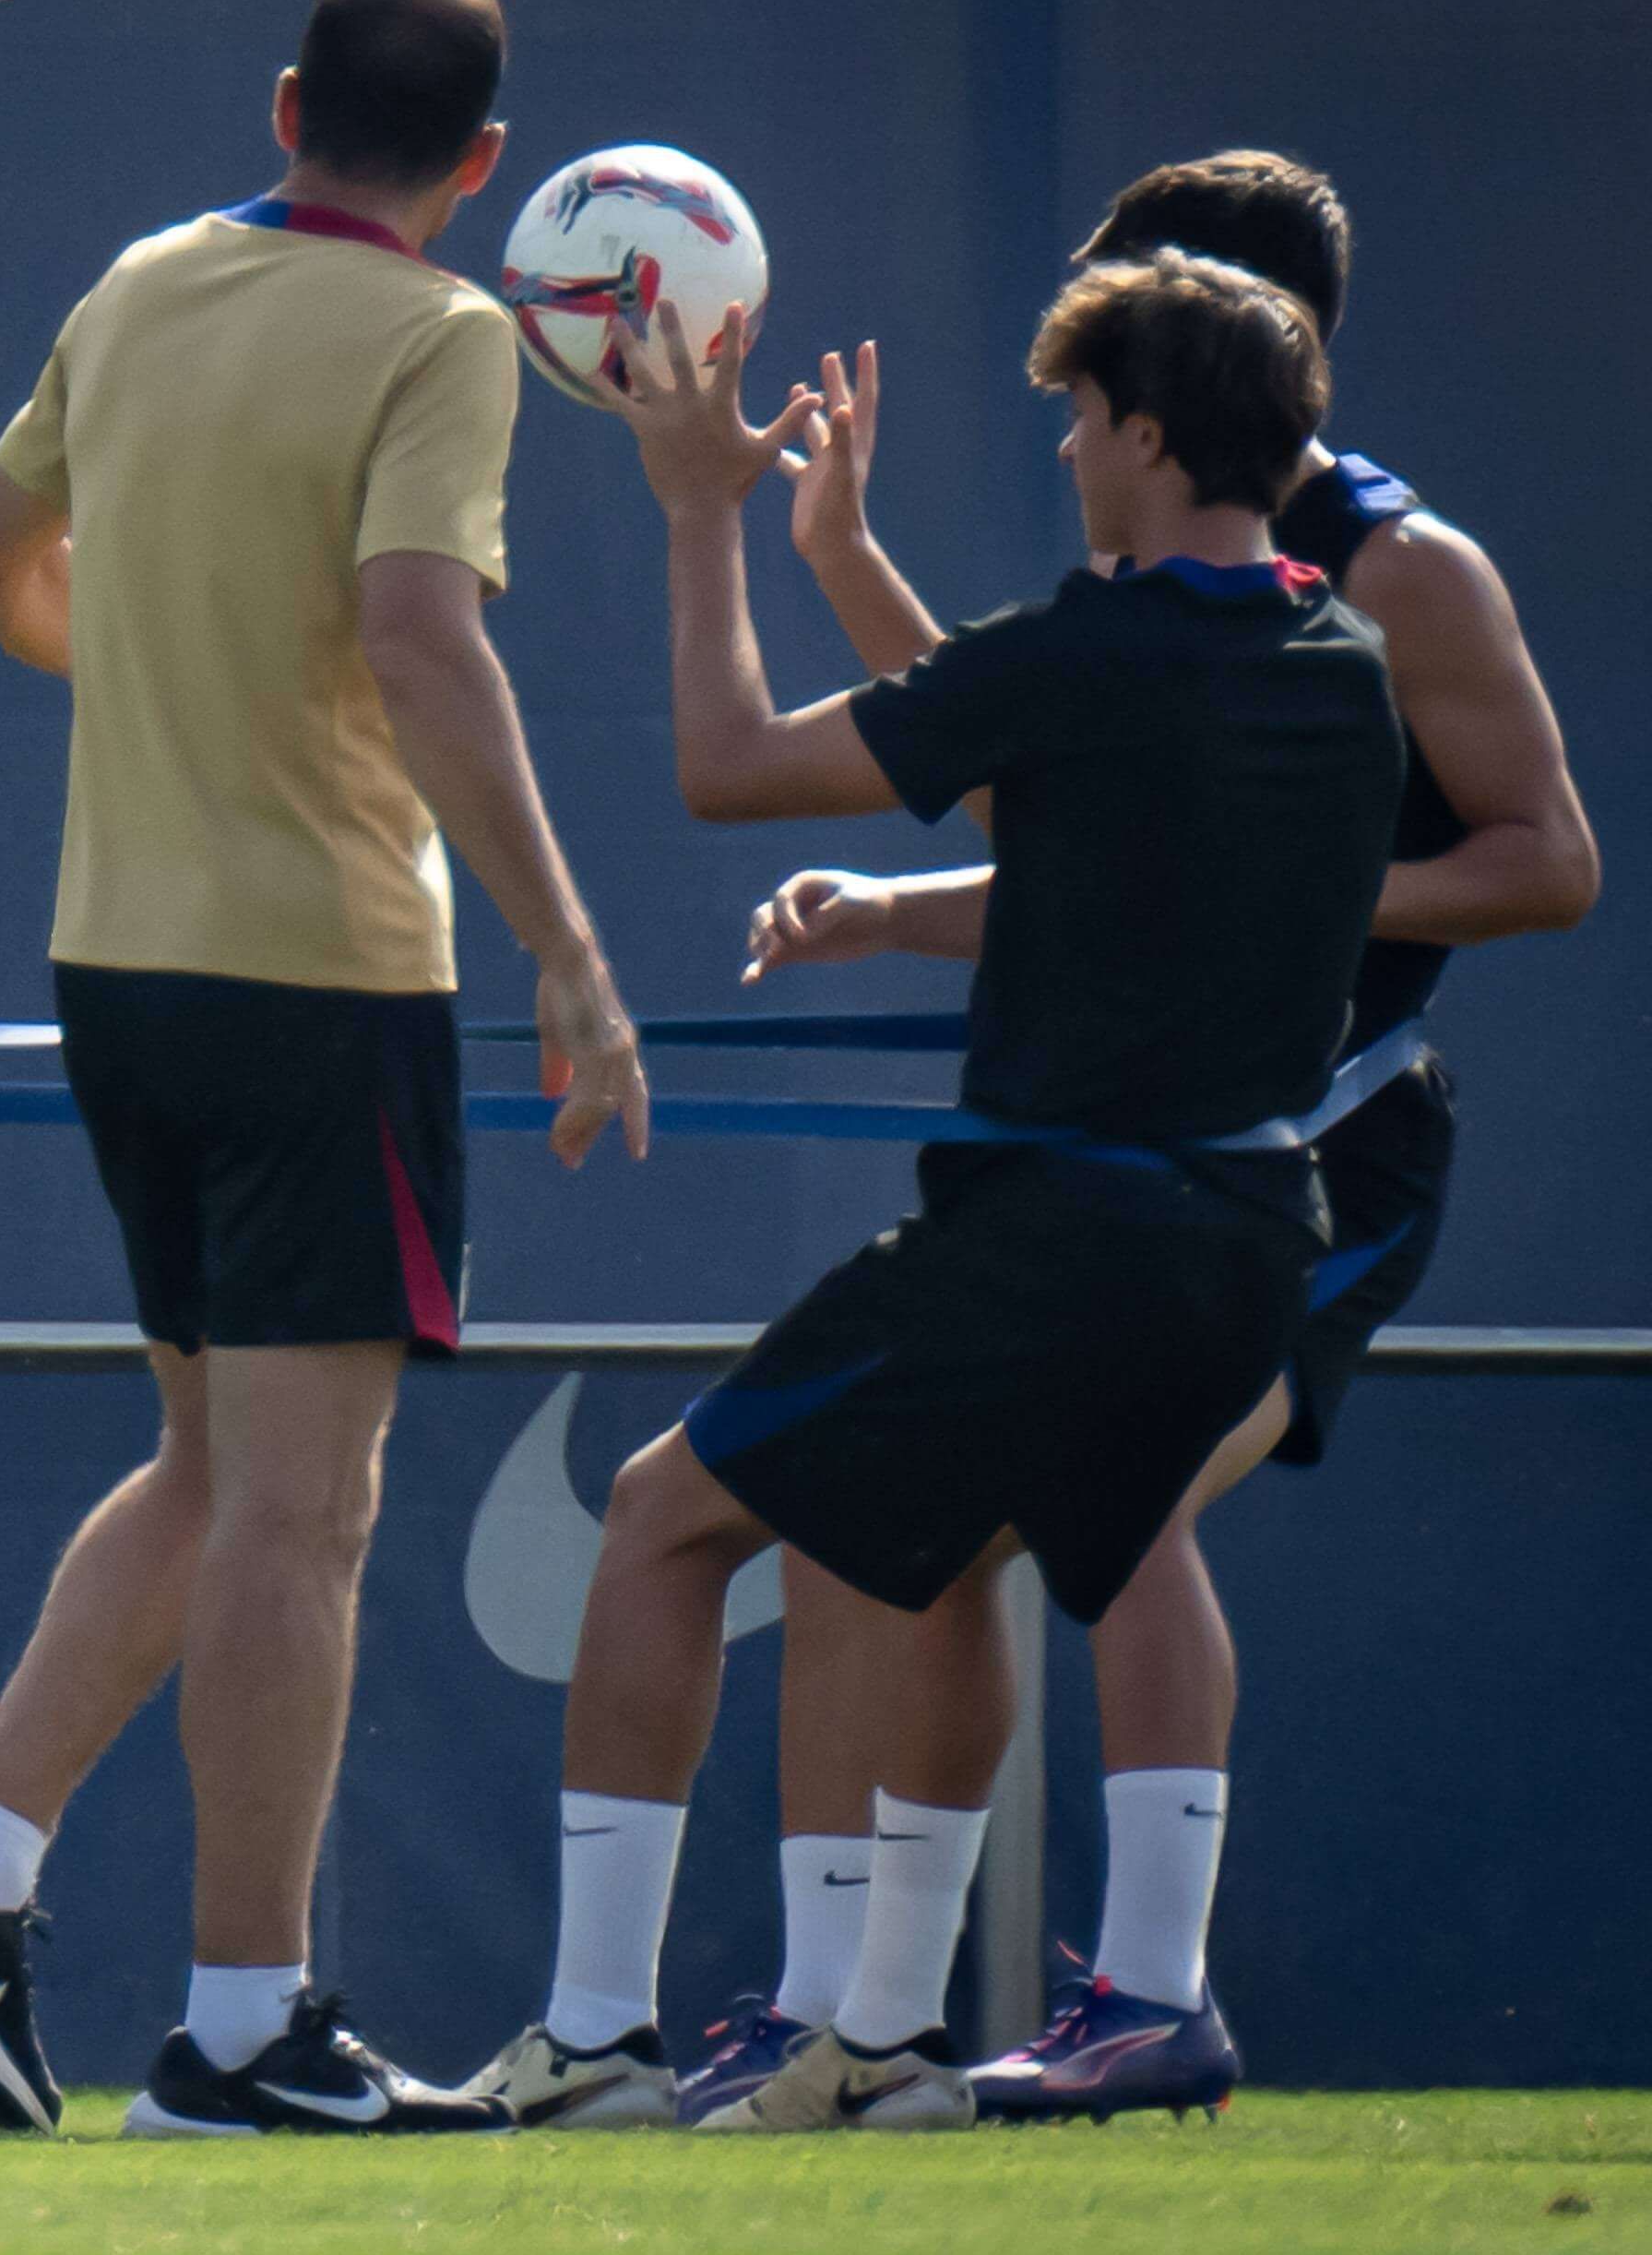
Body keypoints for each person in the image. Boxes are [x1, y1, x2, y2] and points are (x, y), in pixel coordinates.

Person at [0, 0, 650, 2140]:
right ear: (479, 166)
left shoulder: (134, 283)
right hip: (318, 981)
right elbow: (414, 633)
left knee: (209, 1477)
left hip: (124, 965)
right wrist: (568, 948)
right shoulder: (446, 326)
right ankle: (237, 2030)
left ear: (285, 105)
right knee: (302, 1516)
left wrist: (166, 684)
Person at [684, 151, 1599, 2123]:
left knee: (1130, 1498)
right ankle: (877, 2023)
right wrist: (881, 890)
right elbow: (1053, 802)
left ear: (1237, 351)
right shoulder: (1156, 580)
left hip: (1315, 1139)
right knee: (948, 1540)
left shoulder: (1396, 573)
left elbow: (1548, 864)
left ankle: (1150, 1991)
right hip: (1144, 1148)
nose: (1084, 391)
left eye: (1122, 332)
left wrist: (1271, 881)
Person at [460, 254, 1406, 2133]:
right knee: (958, 1561)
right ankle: (936, 2022)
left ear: (1142, 433)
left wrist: (695, 513)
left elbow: (731, 763)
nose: (1062, 446)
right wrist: (842, 555)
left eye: (1076, 415)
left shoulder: (1082, 644)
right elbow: (1077, 810)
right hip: (1242, 1247)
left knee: (658, 1522)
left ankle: (586, 2038)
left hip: (1053, 1232)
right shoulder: (1335, 659)